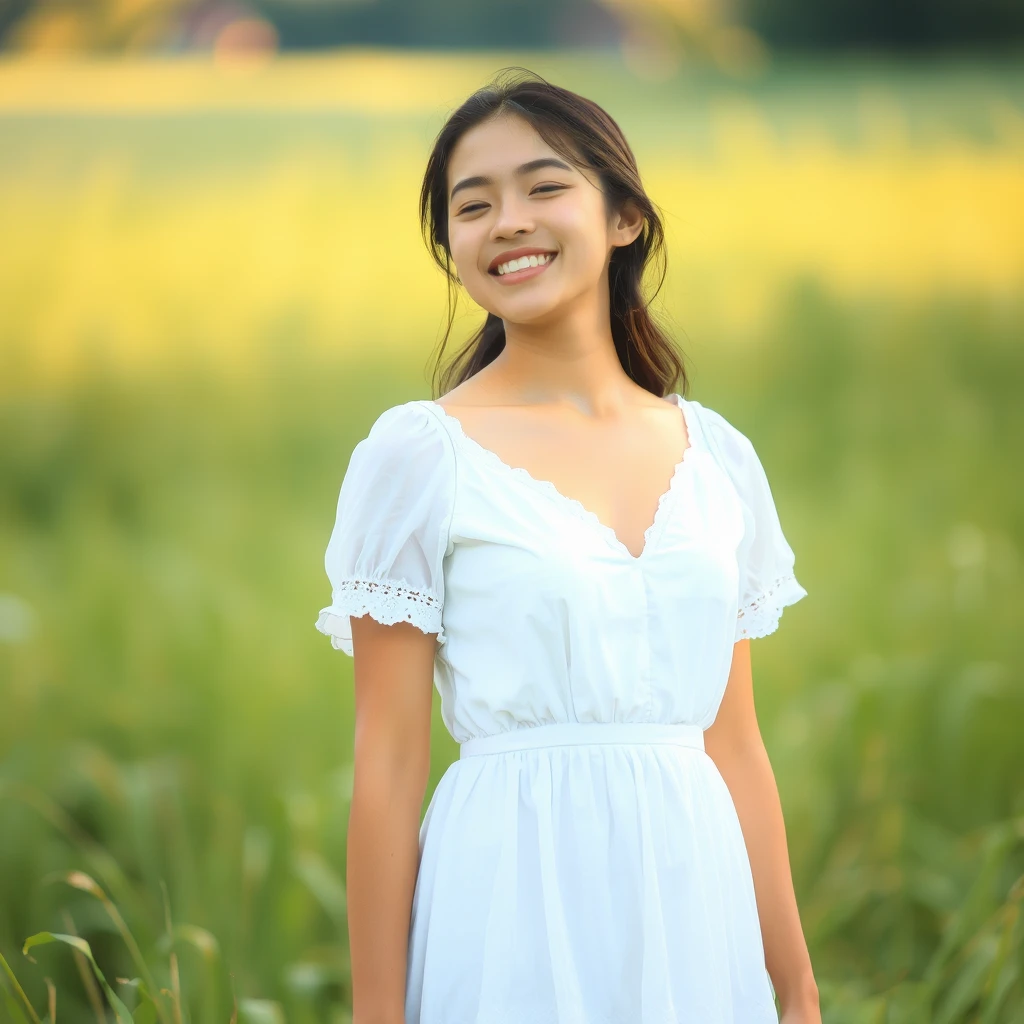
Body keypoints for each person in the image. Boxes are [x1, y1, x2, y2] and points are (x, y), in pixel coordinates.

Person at [316, 67, 821, 1024]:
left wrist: (794, 989)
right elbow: (385, 766)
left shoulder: (715, 455)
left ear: (624, 216)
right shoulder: (421, 455)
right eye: (474, 205)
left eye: (544, 187)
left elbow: (735, 745)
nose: (508, 220)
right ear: (451, 247)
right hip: (509, 899)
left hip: (692, 910)